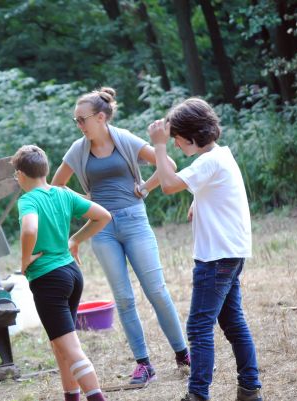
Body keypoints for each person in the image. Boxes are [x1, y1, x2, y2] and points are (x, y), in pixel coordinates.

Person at [51, 87, 189, 385]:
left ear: (101, 117)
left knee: (156, 291)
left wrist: (147, 187)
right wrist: (85, 202)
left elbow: (169, 165)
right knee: (124, 299)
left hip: (135, 220)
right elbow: (56, 185)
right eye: (76, 120)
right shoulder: (78, 149)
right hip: (102, 229)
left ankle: (183, 354)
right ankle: (144, 365)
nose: (78, 125)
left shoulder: (124, 138)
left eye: (82, 119)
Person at [149, 98, 263, 401]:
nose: (174, 145)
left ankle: (197, 395)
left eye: (175, 139)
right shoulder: (222, 156)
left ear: (189, 136)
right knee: (232, 321)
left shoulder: (208, 161)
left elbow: (169, 184)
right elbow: (215, 188)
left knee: (199, 327)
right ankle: (249, 389)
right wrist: (197, 200)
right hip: (232, 253)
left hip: (215, 258)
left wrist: (157, 146)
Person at [13, 145, 112, 401]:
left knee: (72, 348)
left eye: (15, 174)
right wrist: (74, 240)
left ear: (22, 174)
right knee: (60, 344)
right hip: (71, 273)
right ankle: (71, 397)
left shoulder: (28, 200)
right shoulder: (62, 194)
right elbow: (103, 216)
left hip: (49, 279)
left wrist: (25, 260)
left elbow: (29, 230)